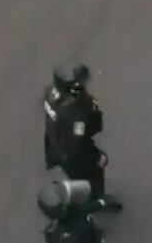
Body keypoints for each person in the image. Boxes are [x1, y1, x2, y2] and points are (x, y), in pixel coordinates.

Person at [44, 62, 122, 212]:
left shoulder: (51, 93)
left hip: (55, 145)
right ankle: (95, 202)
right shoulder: (77, 115)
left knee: (73, 176)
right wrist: (96, 158)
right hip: (72, 154)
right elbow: (77, 147)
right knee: (91, 179)